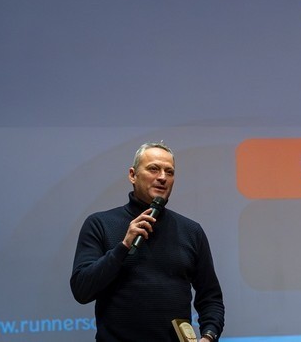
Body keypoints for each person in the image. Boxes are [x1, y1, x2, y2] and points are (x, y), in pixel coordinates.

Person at [71, 142, 224, 342]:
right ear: (132, 175)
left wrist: (209, 336)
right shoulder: (100, 224)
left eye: (169, 172)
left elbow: (211, 298)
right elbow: (82, 291)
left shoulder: (191, 231)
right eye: (153, 169)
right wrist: (123, 246)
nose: (162, 177)